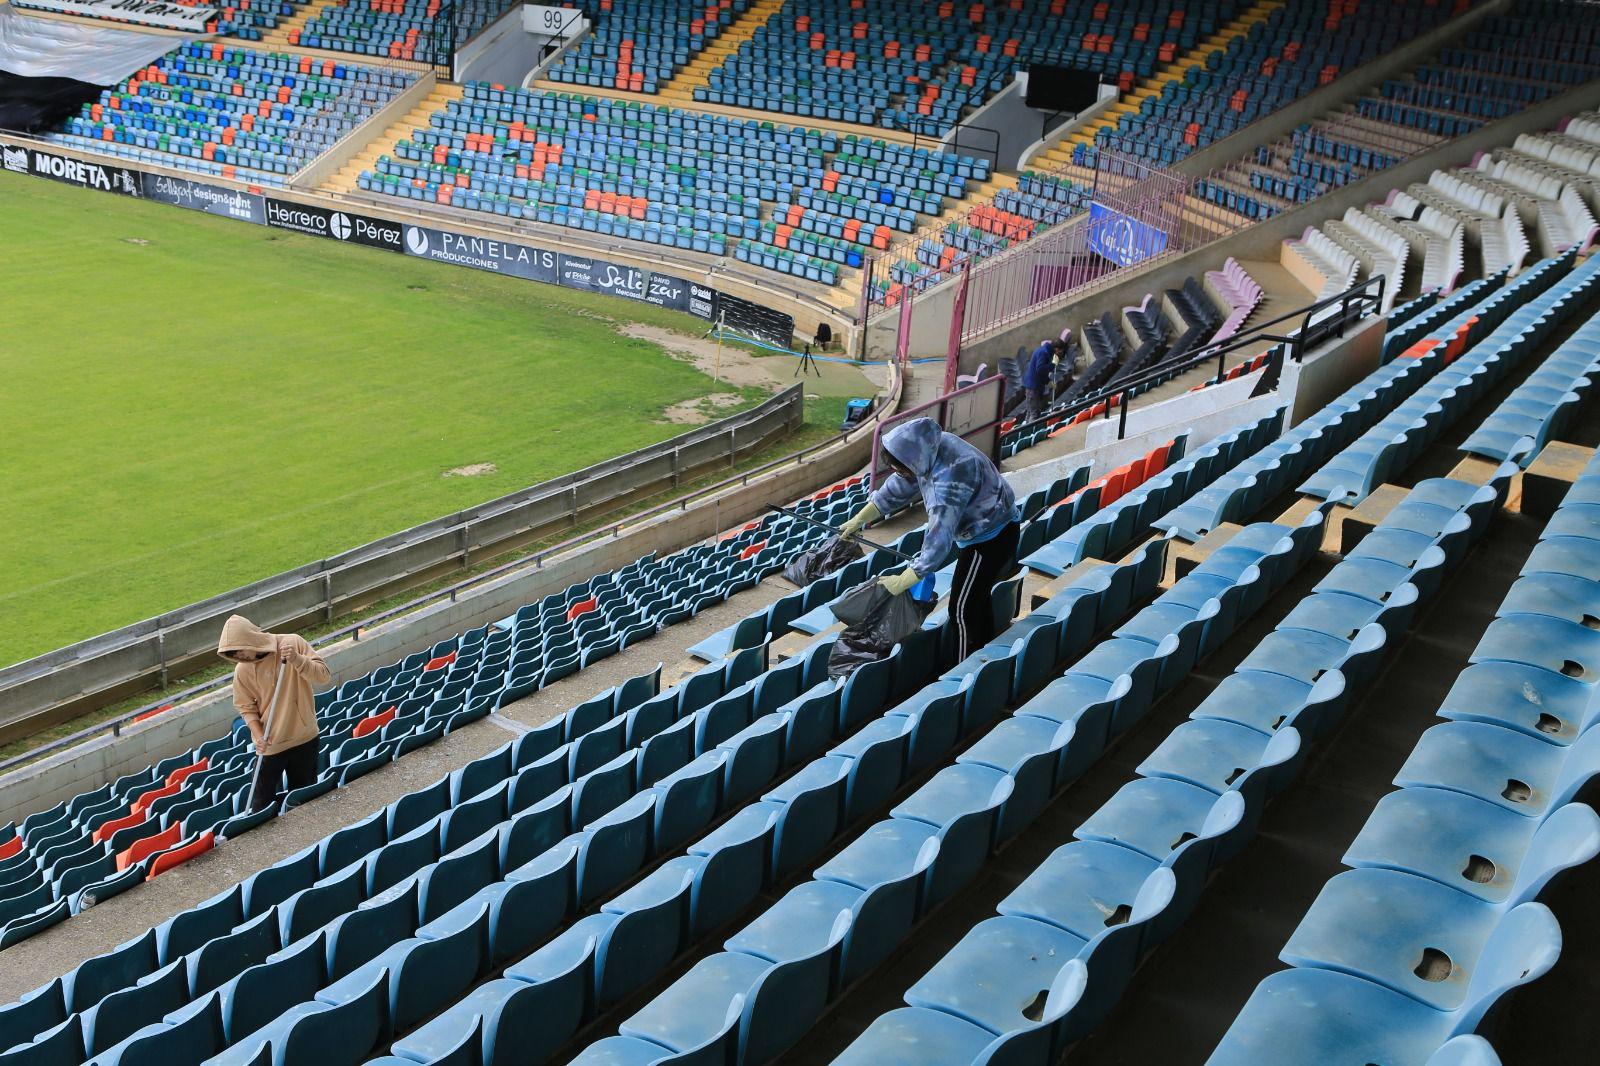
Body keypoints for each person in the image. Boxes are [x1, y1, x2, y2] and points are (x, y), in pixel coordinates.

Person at [839, 417, 1019, 661]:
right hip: (998, 525)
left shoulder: (947, 481)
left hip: (990, 539)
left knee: (961, 609)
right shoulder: (930, 447)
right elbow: (899, 485)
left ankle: (964, 666)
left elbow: (939, 537)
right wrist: (861, 518)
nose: (900, 472)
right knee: (976, 598)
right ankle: (982, 655)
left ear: (913, 460)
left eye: (901, 467)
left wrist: (906, 578)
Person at [218, 615, 330, 812]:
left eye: (240, 649)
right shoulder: (242, 671)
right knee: (259, 804)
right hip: (270, 744)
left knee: (304, 801)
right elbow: (246, 707)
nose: (239, 656)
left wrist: (297, 659)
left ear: (251, 638)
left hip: (304, 738)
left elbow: (323, 676)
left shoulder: (292, 643)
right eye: (233, 653)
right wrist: (258, 735)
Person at [1022, 338, 1066, 421]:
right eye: (1060, 352)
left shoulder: (1044, 351)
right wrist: (1053, 364)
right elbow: (1040, 369)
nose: (1059, 354)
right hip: (1033, 387)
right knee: (1034, 414)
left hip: (1035, 386)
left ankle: (1026, 431)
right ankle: (1030, 432)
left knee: (1031, 412)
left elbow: (1041, 372)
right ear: (1056, 349)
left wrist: (1048, 381)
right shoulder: (1043, 353)